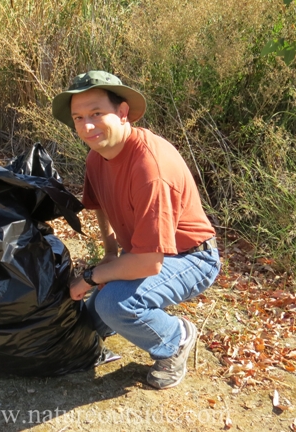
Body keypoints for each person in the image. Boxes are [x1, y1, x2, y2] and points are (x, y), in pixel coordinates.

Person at [51, 71, 221, 389]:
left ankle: (176, 339)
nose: (87, 126)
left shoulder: (150, 168)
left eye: (97, 114)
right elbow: (98, 203)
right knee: (89, 320)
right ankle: (129, 313)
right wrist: (111, 253)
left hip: (192, 258)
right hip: (142, 252)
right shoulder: (96, 157)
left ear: (123, 112)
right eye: (78, 117)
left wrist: (89, 278)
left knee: (113, 303)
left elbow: (149, 264)